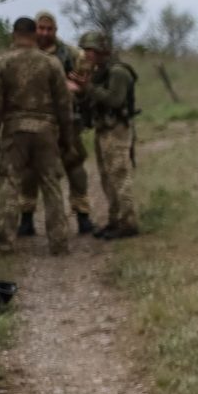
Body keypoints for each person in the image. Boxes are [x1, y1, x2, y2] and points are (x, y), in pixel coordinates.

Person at [0, 16, 73, 255]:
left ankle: (5, 243)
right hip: (46, 130)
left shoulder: (2, 63)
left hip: (14, 130)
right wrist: (66, 137)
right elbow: (64, 104)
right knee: (51, 185)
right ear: (35, 34)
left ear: (14, 35)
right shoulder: (51, 63)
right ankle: (59, 242)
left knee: (10, 184)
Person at [21, 10, 93, 235]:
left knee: (75, 165)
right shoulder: (24, 53)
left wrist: (78, 88)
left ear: (56, 30)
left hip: (66, 121)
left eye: (49, 29)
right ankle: (26, 217)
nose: (44, 33)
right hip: (33, 121)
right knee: (29, 170)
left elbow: (85, 85)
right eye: (41, 28)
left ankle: (82, 215)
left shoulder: (71, 54)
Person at [69, 30, 139, 240]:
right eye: (84, 49)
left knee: (119, 176)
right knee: (107, 178)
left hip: (117, 129)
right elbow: (92, 101)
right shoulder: (99, 71)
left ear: (101, 50)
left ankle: (128, 222)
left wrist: (87, 87)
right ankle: (115, 219)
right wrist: (81, 91)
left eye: (90, 49)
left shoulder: (118, 72)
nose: (86, 54)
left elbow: (114, 100)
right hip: (104, 129)